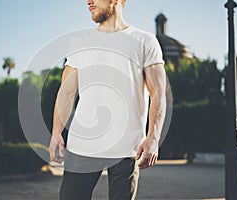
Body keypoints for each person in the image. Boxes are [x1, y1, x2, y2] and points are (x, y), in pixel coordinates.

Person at [49, 0, 167, 199]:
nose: (88, 1)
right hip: (83, 143)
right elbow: (66, 93)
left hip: (127, 147)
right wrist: (56, 133)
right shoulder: (79, 41)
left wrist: (153, 137)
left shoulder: (145, 41)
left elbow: (158, 94)